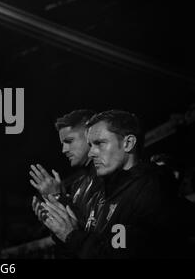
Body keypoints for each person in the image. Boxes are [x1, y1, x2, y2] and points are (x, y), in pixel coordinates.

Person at [40, 110, 180, 258]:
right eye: (90, 145)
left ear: (128, 143)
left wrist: (71, 235)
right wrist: (62, 230)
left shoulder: (151, 191)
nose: (91, 152)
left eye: (99, 143)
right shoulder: (109, 190)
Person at [29, 109, 97, 257]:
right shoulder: (78, 185)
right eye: (62, 143)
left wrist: (58, 197)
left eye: (69, 141)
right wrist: (54, 215)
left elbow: (94, 236)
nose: (64, 150)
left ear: (90, 134)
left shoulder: (111, 179)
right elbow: (74, 236)